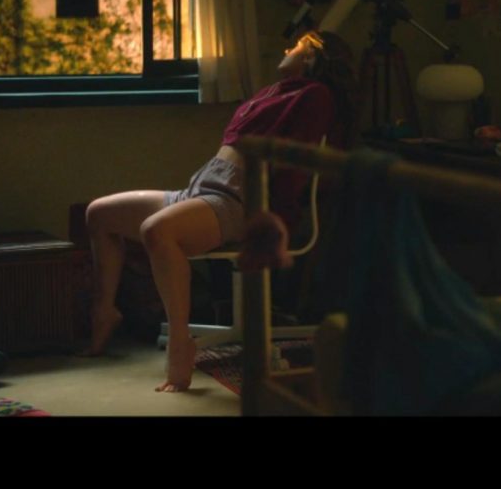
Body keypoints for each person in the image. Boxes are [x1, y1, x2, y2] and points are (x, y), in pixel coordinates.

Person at [81, 30, 357, 392]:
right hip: (205, 186)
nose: (287, 48)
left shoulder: (316, 95)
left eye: (297, 46)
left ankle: (180, 341)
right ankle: (105, 311)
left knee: (156, 230)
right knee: (99, 214)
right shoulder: (277, 91)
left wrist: (270, 217)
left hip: (240, 200)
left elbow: (294, 162)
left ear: (312, 56)